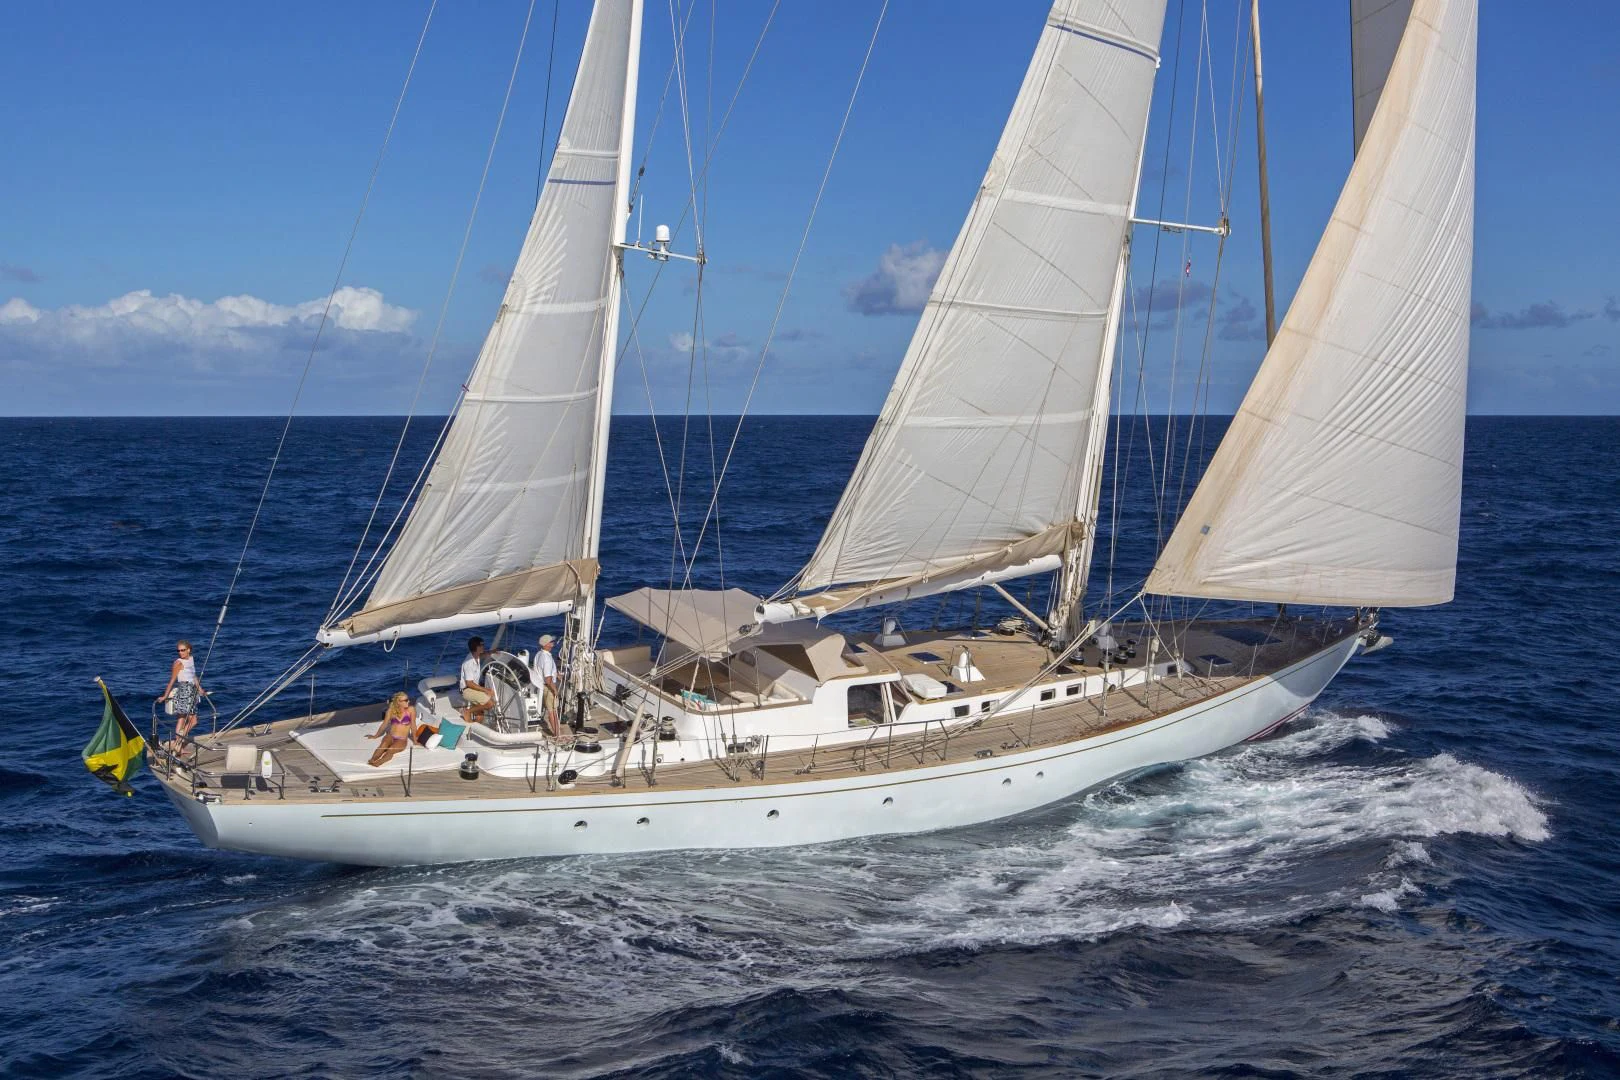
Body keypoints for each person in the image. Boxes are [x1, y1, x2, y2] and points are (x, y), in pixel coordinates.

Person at [157, 640, 206, 755]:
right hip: (185, 691)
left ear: (189, 650)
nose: (180, 652)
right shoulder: (178, 663)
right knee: (193, 721)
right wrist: (165, 696)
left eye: (182, 650)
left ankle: (178, 746)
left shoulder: (191, 659)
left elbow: (193, 676)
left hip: (192, 690)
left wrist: (200, 690)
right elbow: (172, 681)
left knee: (182, 719)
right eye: (178, 650)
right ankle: (176, 742)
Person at [366, 692, 415, 767]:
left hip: (402, 739)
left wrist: (415, 740)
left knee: (390, 750)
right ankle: (373, 759)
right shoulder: (390, 711)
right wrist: (375, 736)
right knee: (383, 745)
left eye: (408, 699)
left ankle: (380, 762)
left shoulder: (411, 710)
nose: (408, 701)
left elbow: (413, 725)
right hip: (391, 736)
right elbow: (384, 724)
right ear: (399, 702)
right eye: (406, 700)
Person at [459, 637, 494, 725]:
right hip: (467, 690)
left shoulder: (476, 656)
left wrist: (492, 652)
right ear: (475, 647)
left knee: (480, 716)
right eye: (481, 645)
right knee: (490, 703)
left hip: (473, 689)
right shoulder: (469, 663)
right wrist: (486, 690)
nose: (483, 646)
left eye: (483, 644)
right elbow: (469, 683)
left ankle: (473, 729)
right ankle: (467, 712)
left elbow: (482, 655)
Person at [535, 633, 561, 737]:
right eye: (551, 642)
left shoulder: (539, 654)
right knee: (553, 711)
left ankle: (556, 733)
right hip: (548, 687)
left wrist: (556, 674)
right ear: (547, 644)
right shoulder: (547, 659)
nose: (553, 643)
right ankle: (557, 735)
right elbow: (548, 679)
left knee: (551, 710)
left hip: (542, 687)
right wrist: (554, 690)